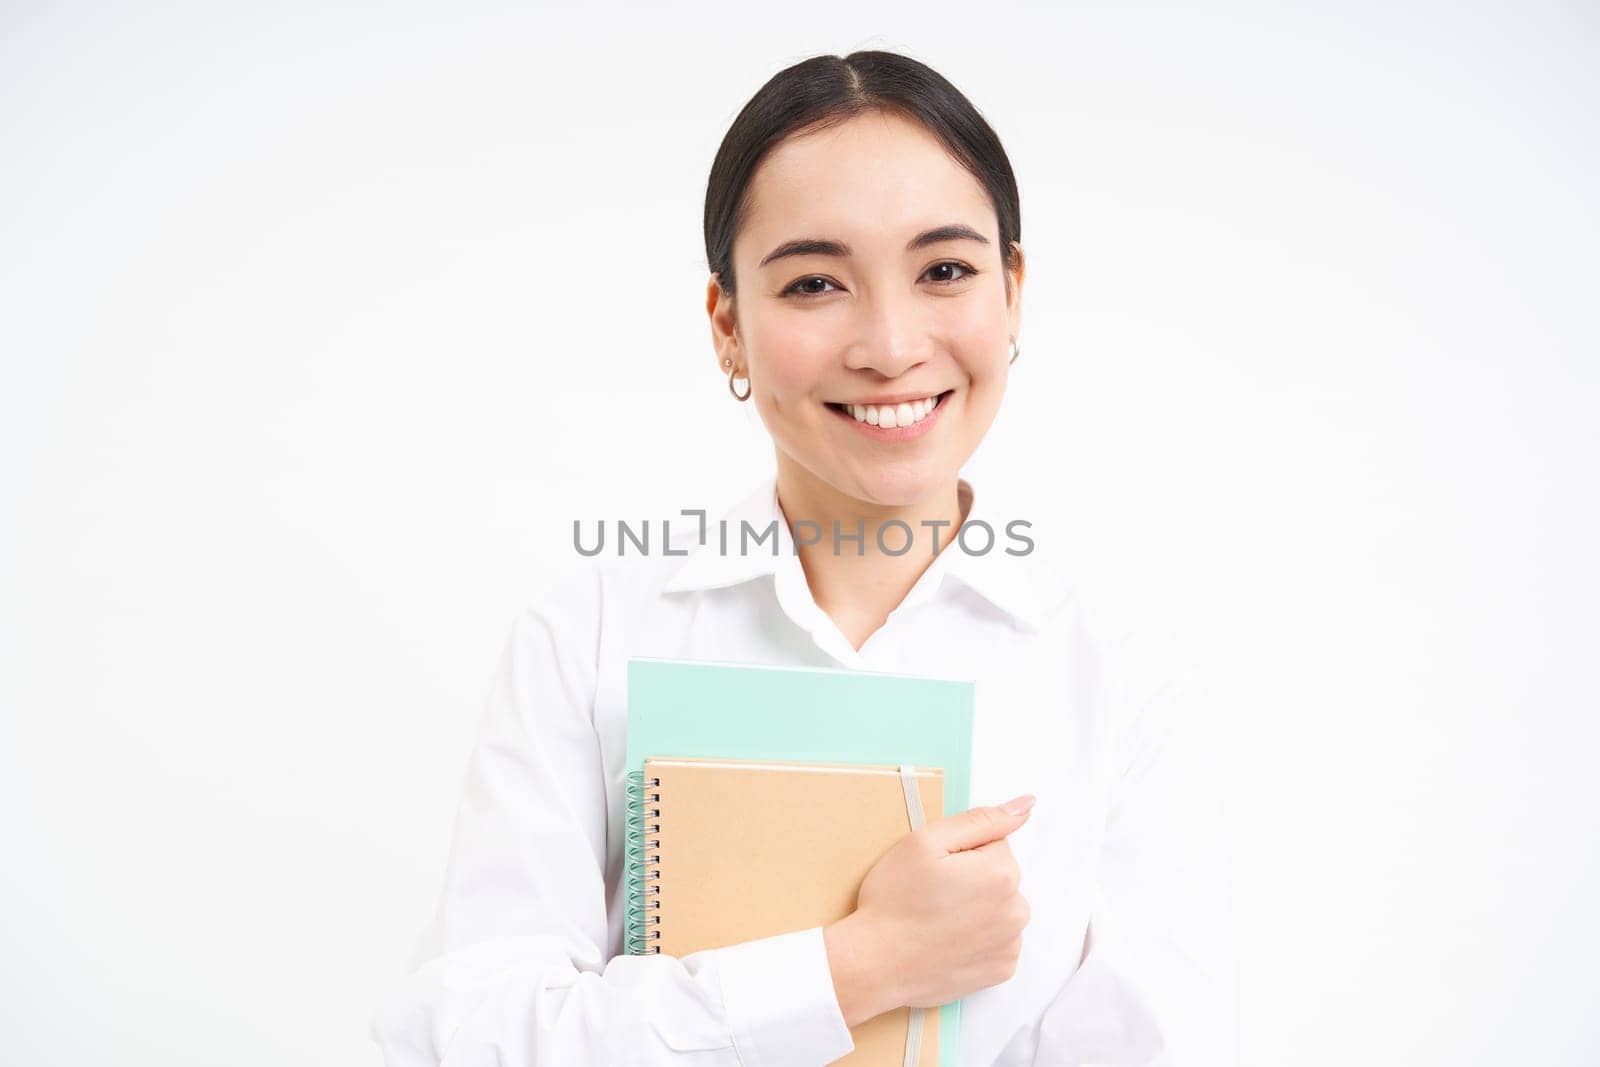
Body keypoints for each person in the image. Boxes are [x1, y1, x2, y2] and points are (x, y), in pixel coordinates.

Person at [371, 50, 1236, 1066]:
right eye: (816, 282)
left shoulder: (1111, 675)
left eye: (945, 270)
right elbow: (470, 1043)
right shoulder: (589, 639)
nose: (889, 342)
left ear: (1011, 290)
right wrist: (856, 964)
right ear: (727, 325)